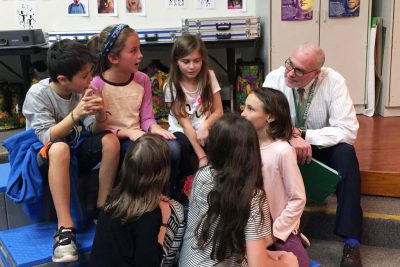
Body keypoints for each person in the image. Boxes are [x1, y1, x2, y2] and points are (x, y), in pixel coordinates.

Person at [263, 43, 363, 267]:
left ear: (316, 73)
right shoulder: (274, 78)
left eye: (299, 70)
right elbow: (262, 124)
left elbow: (348, 130)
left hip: (319, 145)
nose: (290, 72)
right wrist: (291, 137)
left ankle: (352, 243)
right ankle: (280, 236)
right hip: (283, 145)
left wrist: (305, 136)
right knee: (269, 153)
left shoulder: (333, 81)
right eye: (289, 64)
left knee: (346, 154)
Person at [22, 39, 120, 263]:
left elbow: (95, 130)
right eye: (85, 76)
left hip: (75, 146)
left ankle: (101, 208)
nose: (90, 80)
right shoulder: (38, 94)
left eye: (90, 74)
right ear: (62, 80)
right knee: (59, 149)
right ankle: (65, 230)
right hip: (44, 154)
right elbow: (47, 137)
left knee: (111, 141)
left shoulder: (82, 89)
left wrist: (101, 112)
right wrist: (76, 114)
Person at [180, 113, 299, 267]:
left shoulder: (202, 175)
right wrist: (288, 263)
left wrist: (267, 255)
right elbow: (258, 264)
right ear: (251, 150)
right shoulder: (253, 196)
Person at [87, 24, 180, 184]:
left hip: (139, 134)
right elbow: (96, 129)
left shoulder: (142, 79)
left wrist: (154, 128)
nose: (141, 55)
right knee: (145, 154)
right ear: (113, 58)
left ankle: (169, 194)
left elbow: (147, 118)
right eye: (133, 51)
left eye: (139, 49)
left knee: (174, 148)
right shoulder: (96, 85)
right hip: (114, 139)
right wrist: (128, 133)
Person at [90, 134, 185, 266]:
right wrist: (163, 223)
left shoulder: (110, 203)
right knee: (178, 211)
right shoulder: (150, 214)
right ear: (162, 173)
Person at [242, 88, 310, 267]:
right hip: (250, 230)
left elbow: (298, 198)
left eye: (250, 109)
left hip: (279, 230)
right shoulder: (243, 146)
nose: (243, 114)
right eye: (245, 107)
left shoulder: (283, 151)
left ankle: (297, 238)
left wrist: (276, 232)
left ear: (270, 117)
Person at [164, 34, 223, 197]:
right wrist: (202, 156)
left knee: (222, 139)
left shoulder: (209, 76)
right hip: (183, 131)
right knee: (183, 147)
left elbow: (219, 111)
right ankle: (183, 185)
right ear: (176, 61)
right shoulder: (171, 84)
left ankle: (217, 185)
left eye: (197, 61)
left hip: (205, 127)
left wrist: (205, 126)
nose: (192, 66)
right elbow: (185, 123)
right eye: (186, 61)